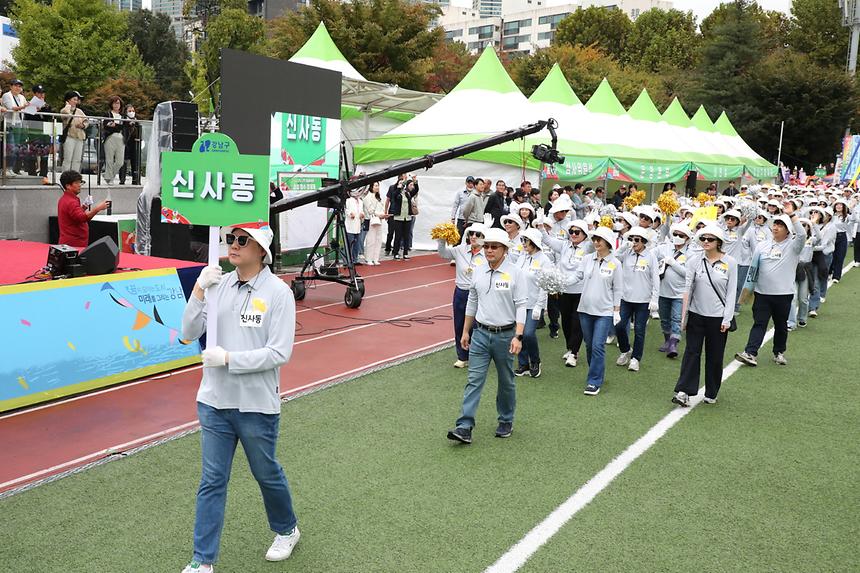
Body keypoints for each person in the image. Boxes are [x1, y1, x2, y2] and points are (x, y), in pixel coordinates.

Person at [180, 223, 300, 573]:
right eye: (230, 239)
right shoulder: (218, 284)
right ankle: (203, 561)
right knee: (212, 480)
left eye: (241, 240)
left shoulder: (279, 293)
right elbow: (189, 332)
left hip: (256, 405)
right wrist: (200, 290)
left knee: (266, 473)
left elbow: (279, 353)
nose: (232, 245)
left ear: (261, 250)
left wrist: (230, 359)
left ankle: (286, 529)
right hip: (214, 401)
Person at [447, 228, 527, 444]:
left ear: (505, 250)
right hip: (480, 334)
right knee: (474, 380)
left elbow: (521, 306)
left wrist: (518, 336)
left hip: (505, 335)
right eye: (487, 246)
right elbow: (472, 301)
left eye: (494, 247)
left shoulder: (516, 273)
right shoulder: (479, 271)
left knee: (506, 381)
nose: (489, 250)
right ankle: (464, 426)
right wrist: (465, 330)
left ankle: (506, 419)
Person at [672, 224, 738, 407]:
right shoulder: (694, 260)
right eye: (703, 239)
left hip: (718, 318)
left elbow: (732, 292)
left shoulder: (730, 263)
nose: (706, 242)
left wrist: (727, 318)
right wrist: (684, 317)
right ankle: (684, 390)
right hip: (696, 315)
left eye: (710, 239)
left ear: (719, 242)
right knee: (691, 353)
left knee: (714, 356)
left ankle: (711, 391)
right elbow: (688, 288)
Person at [735, 203, 805, 367]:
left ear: (787, 230)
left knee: (781, 325)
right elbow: (754, 269)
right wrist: (748, 292)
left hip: (783, 294)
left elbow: (801, 235)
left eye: (780, 225)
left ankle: (778, 352)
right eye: (775, 223)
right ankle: (750, 353)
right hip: (762, 294)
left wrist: (792, 215)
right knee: (759, 323)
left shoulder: (793, 246)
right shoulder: (763, 245)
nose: (776, 227)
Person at [569, 226, 623, 396]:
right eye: (594, 239)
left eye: (599, 239)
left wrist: (616, 310)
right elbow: (576, 276)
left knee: (598, 345)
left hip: (604, 311)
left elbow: (618, 289)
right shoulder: (586, 259)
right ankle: (597, 372)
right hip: (585, 309)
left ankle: (594, 381)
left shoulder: (615, 263)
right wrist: (560, 281)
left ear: (608, 242)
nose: (596, 242)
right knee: (589, 345)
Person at [540, 218, 593, 367]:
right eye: (571, 232)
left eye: (577, 232)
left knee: (577, 322)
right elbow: (547, 240)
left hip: (581, 291)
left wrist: (592, 227)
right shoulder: (564, 245)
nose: (573, 234)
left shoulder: (588, 246)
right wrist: (540, 225)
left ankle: (574, 353)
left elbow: (599, 242)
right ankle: (570, 348)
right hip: (564, 290)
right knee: (566, 321)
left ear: (584, 234)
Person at [437, 223, 487, 369]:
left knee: (477, 325)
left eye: (478, 234)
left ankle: (478, 354)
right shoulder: (460, 250)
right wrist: (441, 239)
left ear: (483, 237)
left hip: (479, 293)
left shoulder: (487, 253)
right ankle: (462, 356)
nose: (473, 237)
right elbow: (443, 254)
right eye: (471, 233)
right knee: (459, 324)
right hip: (461, 291)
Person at [614, 227, 659, 372]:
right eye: (631, 239)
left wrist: (654, 298)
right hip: (625, 297)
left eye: (637, 240)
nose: (634, 242)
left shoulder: (651, 256)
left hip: (643, 299)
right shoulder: (627, 253)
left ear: (644, 242)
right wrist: (622, 247)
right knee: (619, 325)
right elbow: (614, 258)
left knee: (639, 330)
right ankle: (625, 349)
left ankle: (635, 358)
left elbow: (655, 278)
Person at [514, 228, 551, 378]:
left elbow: (545, 285)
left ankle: (535, 361)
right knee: (519, 333)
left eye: (525, 240)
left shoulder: (544, 260)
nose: (523, 244)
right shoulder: (522, 257)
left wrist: (539, 305)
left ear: (534, 242)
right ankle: (523, 363)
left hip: (534, 303)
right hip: (519, 303)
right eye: (522, 240)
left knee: (528, 334)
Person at [655, 223, 694, 358]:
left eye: (681, 235)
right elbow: (651, 255)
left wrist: (673, 263)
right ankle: (667, 340)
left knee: (676, 318)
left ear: (687, 238)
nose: (677, 237)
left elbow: (688, 274)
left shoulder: (691, 253)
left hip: (679, 292)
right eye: (675, 234)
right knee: (664, 318)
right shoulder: (664, 248)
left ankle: (673, 343)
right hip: (663, 290)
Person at [56, 170, 110, 247]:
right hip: (74, 244)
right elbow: (82, 218)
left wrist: (84, 206)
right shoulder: (71, 201)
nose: (79, 185)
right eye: (76, 183)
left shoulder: (66, 199)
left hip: (71, 242)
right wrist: (98, 208)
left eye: (80, 182)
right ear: (68, 186)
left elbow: (75, 216)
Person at [23, 84, 53, 184]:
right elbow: (26, 118)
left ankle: (44, 175)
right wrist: (33, 109)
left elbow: (49, 118)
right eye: (39, 93)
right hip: (33, 133)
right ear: (35, 94)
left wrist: (43, 109)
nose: (42, 95)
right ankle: (32, 174)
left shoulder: (47, 105)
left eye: (43, 93)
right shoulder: (29, 104)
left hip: (45, 133)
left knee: (45, 155)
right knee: (33, 154)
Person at [385, 174, 418, 260]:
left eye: (403, 183)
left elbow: (416, 190)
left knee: (406, 235)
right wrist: (399, 187)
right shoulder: (397, 192)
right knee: (398, 235)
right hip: (398, 217)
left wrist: (415, 181)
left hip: (407, 217)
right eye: (401, 183)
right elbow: (394, 197)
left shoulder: (407, 193)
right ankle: (395, 252)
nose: (402, 184)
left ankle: (405, 253)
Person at [1, 79, 28, 176]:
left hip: (19, 125)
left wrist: (34, 107)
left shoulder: (22, 97)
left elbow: (26, 109)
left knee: (16, 148)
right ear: (11, 86)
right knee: (10, 146)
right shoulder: (6, 95)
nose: (18, 88)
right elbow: (10, 108)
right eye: (16, 85)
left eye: (20, 86)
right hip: (9, 124)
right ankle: (6, 168)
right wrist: (24, 107)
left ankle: (11, 168)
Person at [60, 90, 88, 173]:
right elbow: (65, 115)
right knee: (68, 158)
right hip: (69, 136)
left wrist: (83, 125)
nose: (76, 101)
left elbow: (86, 121)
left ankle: (75, 176)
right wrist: (68, 106)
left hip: (79, 137)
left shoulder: (80, 111)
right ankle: (65, 176)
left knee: (77, 159)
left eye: (77, 100)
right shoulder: (65, 109)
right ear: (68, 100)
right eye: (74, 99)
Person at [101, 96, 125, 185]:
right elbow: (106, 125)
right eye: (114, 103)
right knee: (109, 159)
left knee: (120, 162)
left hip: (121, 138)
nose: (116, 105)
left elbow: (124, 127)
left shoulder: (123, 116)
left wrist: (115, 125)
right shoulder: (107, 114)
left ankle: (108, 175)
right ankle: (109, 178)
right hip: (110, 138)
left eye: (118, 103)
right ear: (111, 104)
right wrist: (116, 126)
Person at [362, 181, 387, 265]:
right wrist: (380, 215)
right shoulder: (367, 197)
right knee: (371, 240)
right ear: (371, 187)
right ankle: (369, 258)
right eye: (375, 186)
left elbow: (381, 208)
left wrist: (383, 215)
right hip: (371, 220)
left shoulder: (378, 197)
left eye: (378, 186)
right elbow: (370, 210)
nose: (377, 187)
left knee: (378, 239)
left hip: (379, 220)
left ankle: (375, 258)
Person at [119, 103, 140, 185]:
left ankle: (135, 179)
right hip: (125, 142)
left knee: (134, 161)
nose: (132, 112)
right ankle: (122, 179)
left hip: (134, 142)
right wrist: (128, 125)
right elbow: (122, 129)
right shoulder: (123, 120)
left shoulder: (136, 121)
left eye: (133, 111)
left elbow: (139, 132)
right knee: (123, 161)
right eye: (129, 111)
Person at [344, 188, 364, 264]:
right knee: (349, 243)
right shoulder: (348, 200)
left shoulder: (361, 201)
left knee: (356, 243)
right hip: (350, 225)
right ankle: (347, 260)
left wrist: (362, 214)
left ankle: (355, 259)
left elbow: (361, 211)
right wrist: (350, 214)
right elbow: (346, 210)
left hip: (358, 225)